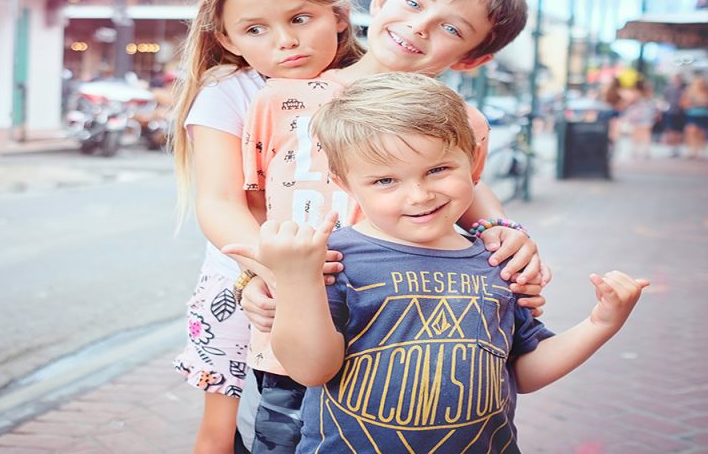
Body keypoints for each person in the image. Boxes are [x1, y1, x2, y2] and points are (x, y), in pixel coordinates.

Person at [226, 72, 649, 452]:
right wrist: (297, 280)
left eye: (438, 169)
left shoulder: (498, 259)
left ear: (473, 163)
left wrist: (600, 324)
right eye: (385, 180)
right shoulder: (334, 260)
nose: (419, 195)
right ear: (345, 183)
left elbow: (522, 371)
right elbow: (311, 369)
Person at [234, 0, 548, 453]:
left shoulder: (466, 125)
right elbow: (256, 208)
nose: (420, 26)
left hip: (406, 349)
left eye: (450, 26)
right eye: (413, 2)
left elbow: (462, 208)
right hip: (294, 341)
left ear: (474, 58)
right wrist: (256, 274)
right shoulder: (282, 99)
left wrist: (507, 234)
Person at [169, 0, 363, 453]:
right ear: (229, 40)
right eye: (256, 28)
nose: (285, 40)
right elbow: (219, 201)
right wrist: (273, 267)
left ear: (338, 16)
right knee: (221, 430)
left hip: (352, 282)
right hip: (243, 282)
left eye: (300, 18)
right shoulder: (228, 94)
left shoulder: (367, 87)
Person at [622, 78, 657, 159]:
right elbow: (651, 99)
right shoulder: (648, 91)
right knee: (646, 133)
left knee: (636, 133)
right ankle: (646, 151)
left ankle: (635, 150)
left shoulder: (636, 92)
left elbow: (630, 102)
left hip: (637, 114)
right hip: (647, 113)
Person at [681, 75, 708, 159]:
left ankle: (700, 149)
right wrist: (692, 104)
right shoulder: (689, 92)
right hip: (692, 114)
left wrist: (707, 103)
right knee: (691, 131)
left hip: (704, 115)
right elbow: (683, 103)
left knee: (701, 133)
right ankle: (692, 149)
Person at [662, 73, 687, 156]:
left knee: (679, 131)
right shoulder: (668, 89)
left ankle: (677, 147)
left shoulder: (684, 89)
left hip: (681, 113)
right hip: (670, 112)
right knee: (671, 130)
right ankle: (672, 148)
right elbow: (664, 99)